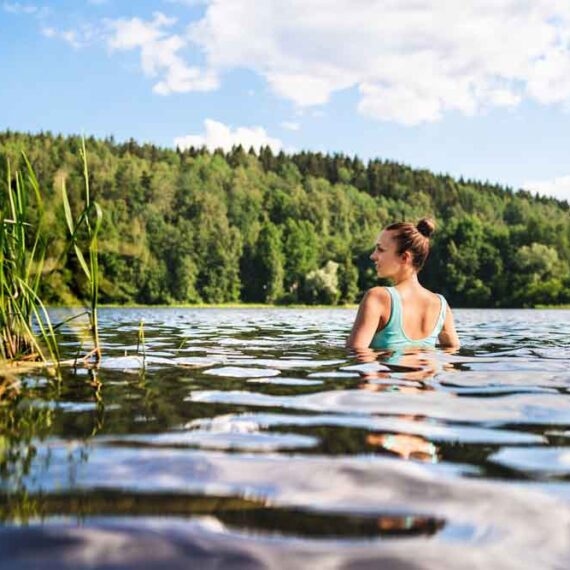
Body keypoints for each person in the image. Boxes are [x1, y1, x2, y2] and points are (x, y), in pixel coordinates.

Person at [347, 218, 459, 350]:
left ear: (405, 257)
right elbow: (452, 351)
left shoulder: (377, 297)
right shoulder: (441, 305)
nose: (373, 256)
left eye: (380, 249)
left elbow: (355, 352)